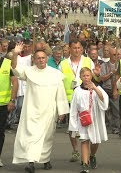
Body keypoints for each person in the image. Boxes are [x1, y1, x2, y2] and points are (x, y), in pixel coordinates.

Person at [11, 44, 69, 173]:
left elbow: (60, 93)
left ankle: (45, 159)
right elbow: (15, 69)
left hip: (49, 111)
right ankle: (31, 162)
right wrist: (15, 53)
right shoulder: (29, 71)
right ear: (34, 59)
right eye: (38, 58)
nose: (41, 60)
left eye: (43, 58)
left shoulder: (55, 74)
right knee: (31, 137)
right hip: (31, 111)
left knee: (46, 138)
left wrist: (62, 111)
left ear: (46, 58)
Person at [60, 39, 95, 162]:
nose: (77, 50)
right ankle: (75, 150)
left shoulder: (88, 61)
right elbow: (60, 82)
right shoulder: (63, 63)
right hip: (69, 98)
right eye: (74, 48)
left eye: (79, 48)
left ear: (82, 49)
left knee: (86, 124)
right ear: (69, 49)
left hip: (86, 98)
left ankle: (86, 153)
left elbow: (94, 77)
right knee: (72, 126)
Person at [69, 67, 109, 173]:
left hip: (95, 119)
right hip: (83, 119)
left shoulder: (98, 88)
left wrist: (95, 89)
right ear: (80, 77)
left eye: (88, 75)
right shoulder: (77, 90)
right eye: (84, 76)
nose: (86, 78)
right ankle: (85, 166)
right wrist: (73, 125)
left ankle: (92, 155)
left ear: (91, 76)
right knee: (84, 140)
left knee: (95, 141)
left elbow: (104, 101)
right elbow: (73, 108)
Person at [0, 55, 17, 167]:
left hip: (3, 105)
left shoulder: (7, 63)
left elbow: (15, 82)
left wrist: (12, 100)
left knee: (0, 132)